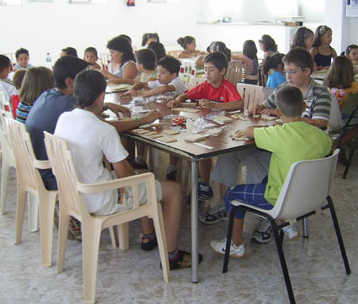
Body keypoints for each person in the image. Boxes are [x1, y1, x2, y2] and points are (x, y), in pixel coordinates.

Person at [54, 69, 200, 269]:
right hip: (101, 200)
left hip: (74, 194)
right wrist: (145, 177)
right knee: (172, 189)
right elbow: (126, 177)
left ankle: (149, 235)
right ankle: (171, 255)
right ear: (101, 96)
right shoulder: (104, 130)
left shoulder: (64, 119)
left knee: (142, 178)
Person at [204, 48, 331, 227]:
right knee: (228, 154)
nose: (288, 76)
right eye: (286, 71)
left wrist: (288, 119)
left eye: (292, 72)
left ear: (307, 71)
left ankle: (266, 217)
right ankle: (226, 205)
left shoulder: (320, 92)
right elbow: (266, 106)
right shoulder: (283, 88)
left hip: (292, 147)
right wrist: (259, 106)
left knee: (258, 160)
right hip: (273, 138)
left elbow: (321, 123)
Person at [209, 85, 332, 257]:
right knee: (269, 174)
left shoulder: (278, 134)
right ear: (304, 107)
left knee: (233, 194)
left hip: (280, 199)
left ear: (278, 112)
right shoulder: (322, 137)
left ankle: (235, 244)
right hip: (310, 197)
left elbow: (248, 131)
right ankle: (288, 224)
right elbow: (328, 149)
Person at [26, 56, 161, 191]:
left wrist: (106, 105)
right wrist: (142, 120)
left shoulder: (48, 96)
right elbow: (108, 127)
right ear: (69, 82)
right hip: (59, 178)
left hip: (51, 170)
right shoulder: (67, 105)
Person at [167, 52, 243, 200]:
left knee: (203, 147)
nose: (207, 74)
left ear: (222, 71)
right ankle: (204, 185)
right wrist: (178, 99)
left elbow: (239, 103)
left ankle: (203, 184)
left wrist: (214, 105)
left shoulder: (227, 87)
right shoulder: (205, 86)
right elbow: (187, 95)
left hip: (225, 133)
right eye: (206, 69)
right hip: (208, 128)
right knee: (197, 144)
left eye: (211, 70)